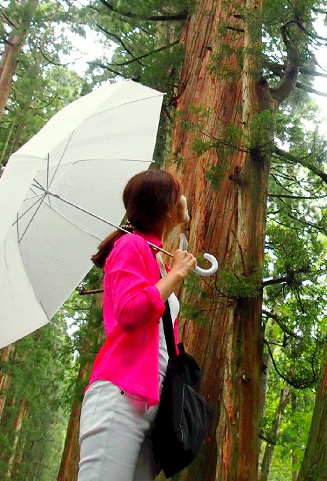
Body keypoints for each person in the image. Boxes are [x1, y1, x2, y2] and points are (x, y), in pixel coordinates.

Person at [78, 169, 197, 481]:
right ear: (168, 207)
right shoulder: (130, 246)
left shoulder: (154, 255)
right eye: (179, 193)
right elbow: (130, 312)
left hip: (150, 400)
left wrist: (168, 272)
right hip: (119, 393)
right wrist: (176, 276)